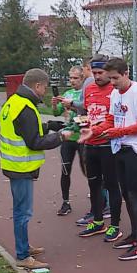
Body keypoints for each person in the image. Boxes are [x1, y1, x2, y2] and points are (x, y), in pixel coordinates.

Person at [80, 58, 137, 260]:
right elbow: (111, 120)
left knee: (135, 194)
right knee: (126, 194)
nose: (112, 82)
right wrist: (94, 131)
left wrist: (118, 132)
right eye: (110, 78)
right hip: (120, 147)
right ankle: (134, 235)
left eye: (115, 78)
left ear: (125, 74)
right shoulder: (115, 93)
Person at [0, 68, 72, 269]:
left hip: (13, 165)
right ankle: (23, 256)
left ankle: (24, 246)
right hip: (21, 167)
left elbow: (27, 129)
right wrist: (61, 137)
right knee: (23, 212)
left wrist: (52, 125)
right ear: (38, 85)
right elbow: (35, 141)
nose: (45, 91)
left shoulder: (14, 102)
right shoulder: (26, 108)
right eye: (45, 88)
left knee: (20, 210)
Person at [78, 54, 124, 243]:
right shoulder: (88, 89)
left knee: (112, 185)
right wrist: (81, 125)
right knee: (93, 184)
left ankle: (115, 225)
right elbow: (86, 113)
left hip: (108, 145)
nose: (97, 76)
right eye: (94, 72)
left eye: (100, 73)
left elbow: (116, 118)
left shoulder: (115, 91)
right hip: (90, 145)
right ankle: (97, 221)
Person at [52, 66, 85, 216]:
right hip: (67, 138)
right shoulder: (67, 93)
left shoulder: (85, 93)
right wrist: (54, 103)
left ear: (82, 78)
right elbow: (56, 112)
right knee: (65, 170)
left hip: (83, 138)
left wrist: (72, 106)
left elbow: (86, 112)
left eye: (75, 78)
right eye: (70, 78)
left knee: (88, 171)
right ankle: (65, 203)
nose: (72, 81)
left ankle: (101, 201)